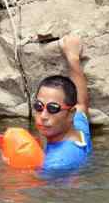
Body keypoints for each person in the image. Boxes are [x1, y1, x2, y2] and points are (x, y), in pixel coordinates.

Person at [34, 34, 92, 174]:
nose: (43, 116)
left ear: (70, 114)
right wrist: (73, 57)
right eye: (38, 106)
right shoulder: (78, 128)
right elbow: (81, 104)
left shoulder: (56, 164)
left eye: (53, 108)